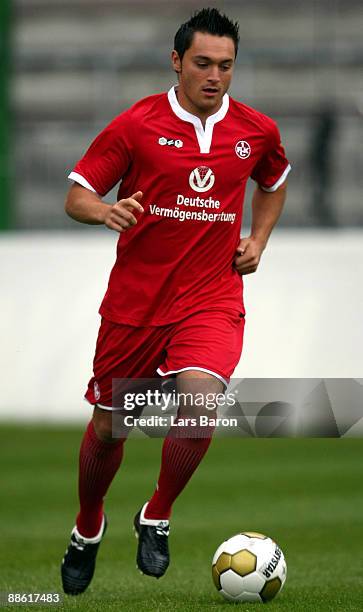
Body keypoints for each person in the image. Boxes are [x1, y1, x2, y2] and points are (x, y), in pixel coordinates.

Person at [61, 7, 291, 596]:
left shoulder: (255, 130)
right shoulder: (136, 125)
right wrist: (106, 211)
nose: (215, 76)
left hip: (211, 297)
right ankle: (89, 526)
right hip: (135, 305)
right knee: (110, 429)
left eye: (227, 66)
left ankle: (157, 513)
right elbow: (78, 194)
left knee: (199, 401)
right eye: (203, 63)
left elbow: (275, 178)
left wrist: (258, 238)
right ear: (177, 62)